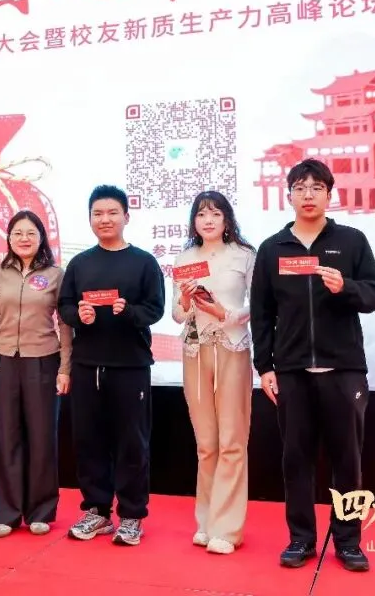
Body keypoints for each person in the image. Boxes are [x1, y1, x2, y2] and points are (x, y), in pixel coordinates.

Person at [250, 159, 375, 572]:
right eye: (300, 188)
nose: (308, 195)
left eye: (316, 188)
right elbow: (261, 313)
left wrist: (347, 287)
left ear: (330, 194)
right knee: (296, 459)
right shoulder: (273, 249)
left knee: (348, 461)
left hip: (344, 369)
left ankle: (348, 542)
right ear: (289, 195)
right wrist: (265, 366)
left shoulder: (351, 240)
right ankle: (301, 539)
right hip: (291, 372)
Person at [57, 185, 165, 546]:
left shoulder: (144, 262)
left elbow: (155, 308)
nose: (105, 219)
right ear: (90, 219)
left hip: (130, 366)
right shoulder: (80, 263)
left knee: (132, 443)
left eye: (112, 212)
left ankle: (132, 515)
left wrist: (129, 312)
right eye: (98, 214)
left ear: (126, 217)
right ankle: (97, 511)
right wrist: (79, 315)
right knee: (89, 441)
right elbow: (64, 306)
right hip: (87, 366)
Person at [170, 191, 255, 555]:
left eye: (215, 214)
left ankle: (227, 528)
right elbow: (177, 314)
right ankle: (206, 523)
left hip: (232, 349)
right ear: (194, 221)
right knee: (206, 443)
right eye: (201, 214)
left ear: (227, 219)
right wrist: (186, 300)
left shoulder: (244, 255)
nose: (208, 220)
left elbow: (259, 305)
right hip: (194, 350)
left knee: (232, 440)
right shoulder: (185, 258)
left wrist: (226, 314)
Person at [0, 210, 72, 538]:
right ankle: (7, 514)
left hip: (44, 360)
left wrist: (65, 367)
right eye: (18, 233)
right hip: (5, 360)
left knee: (42, 437)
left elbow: (65, 324)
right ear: (8, 238)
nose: (24, 238)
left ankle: (41, 511)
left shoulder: (55, 274)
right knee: (7, 436)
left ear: (41, 238)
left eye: (31, 233)